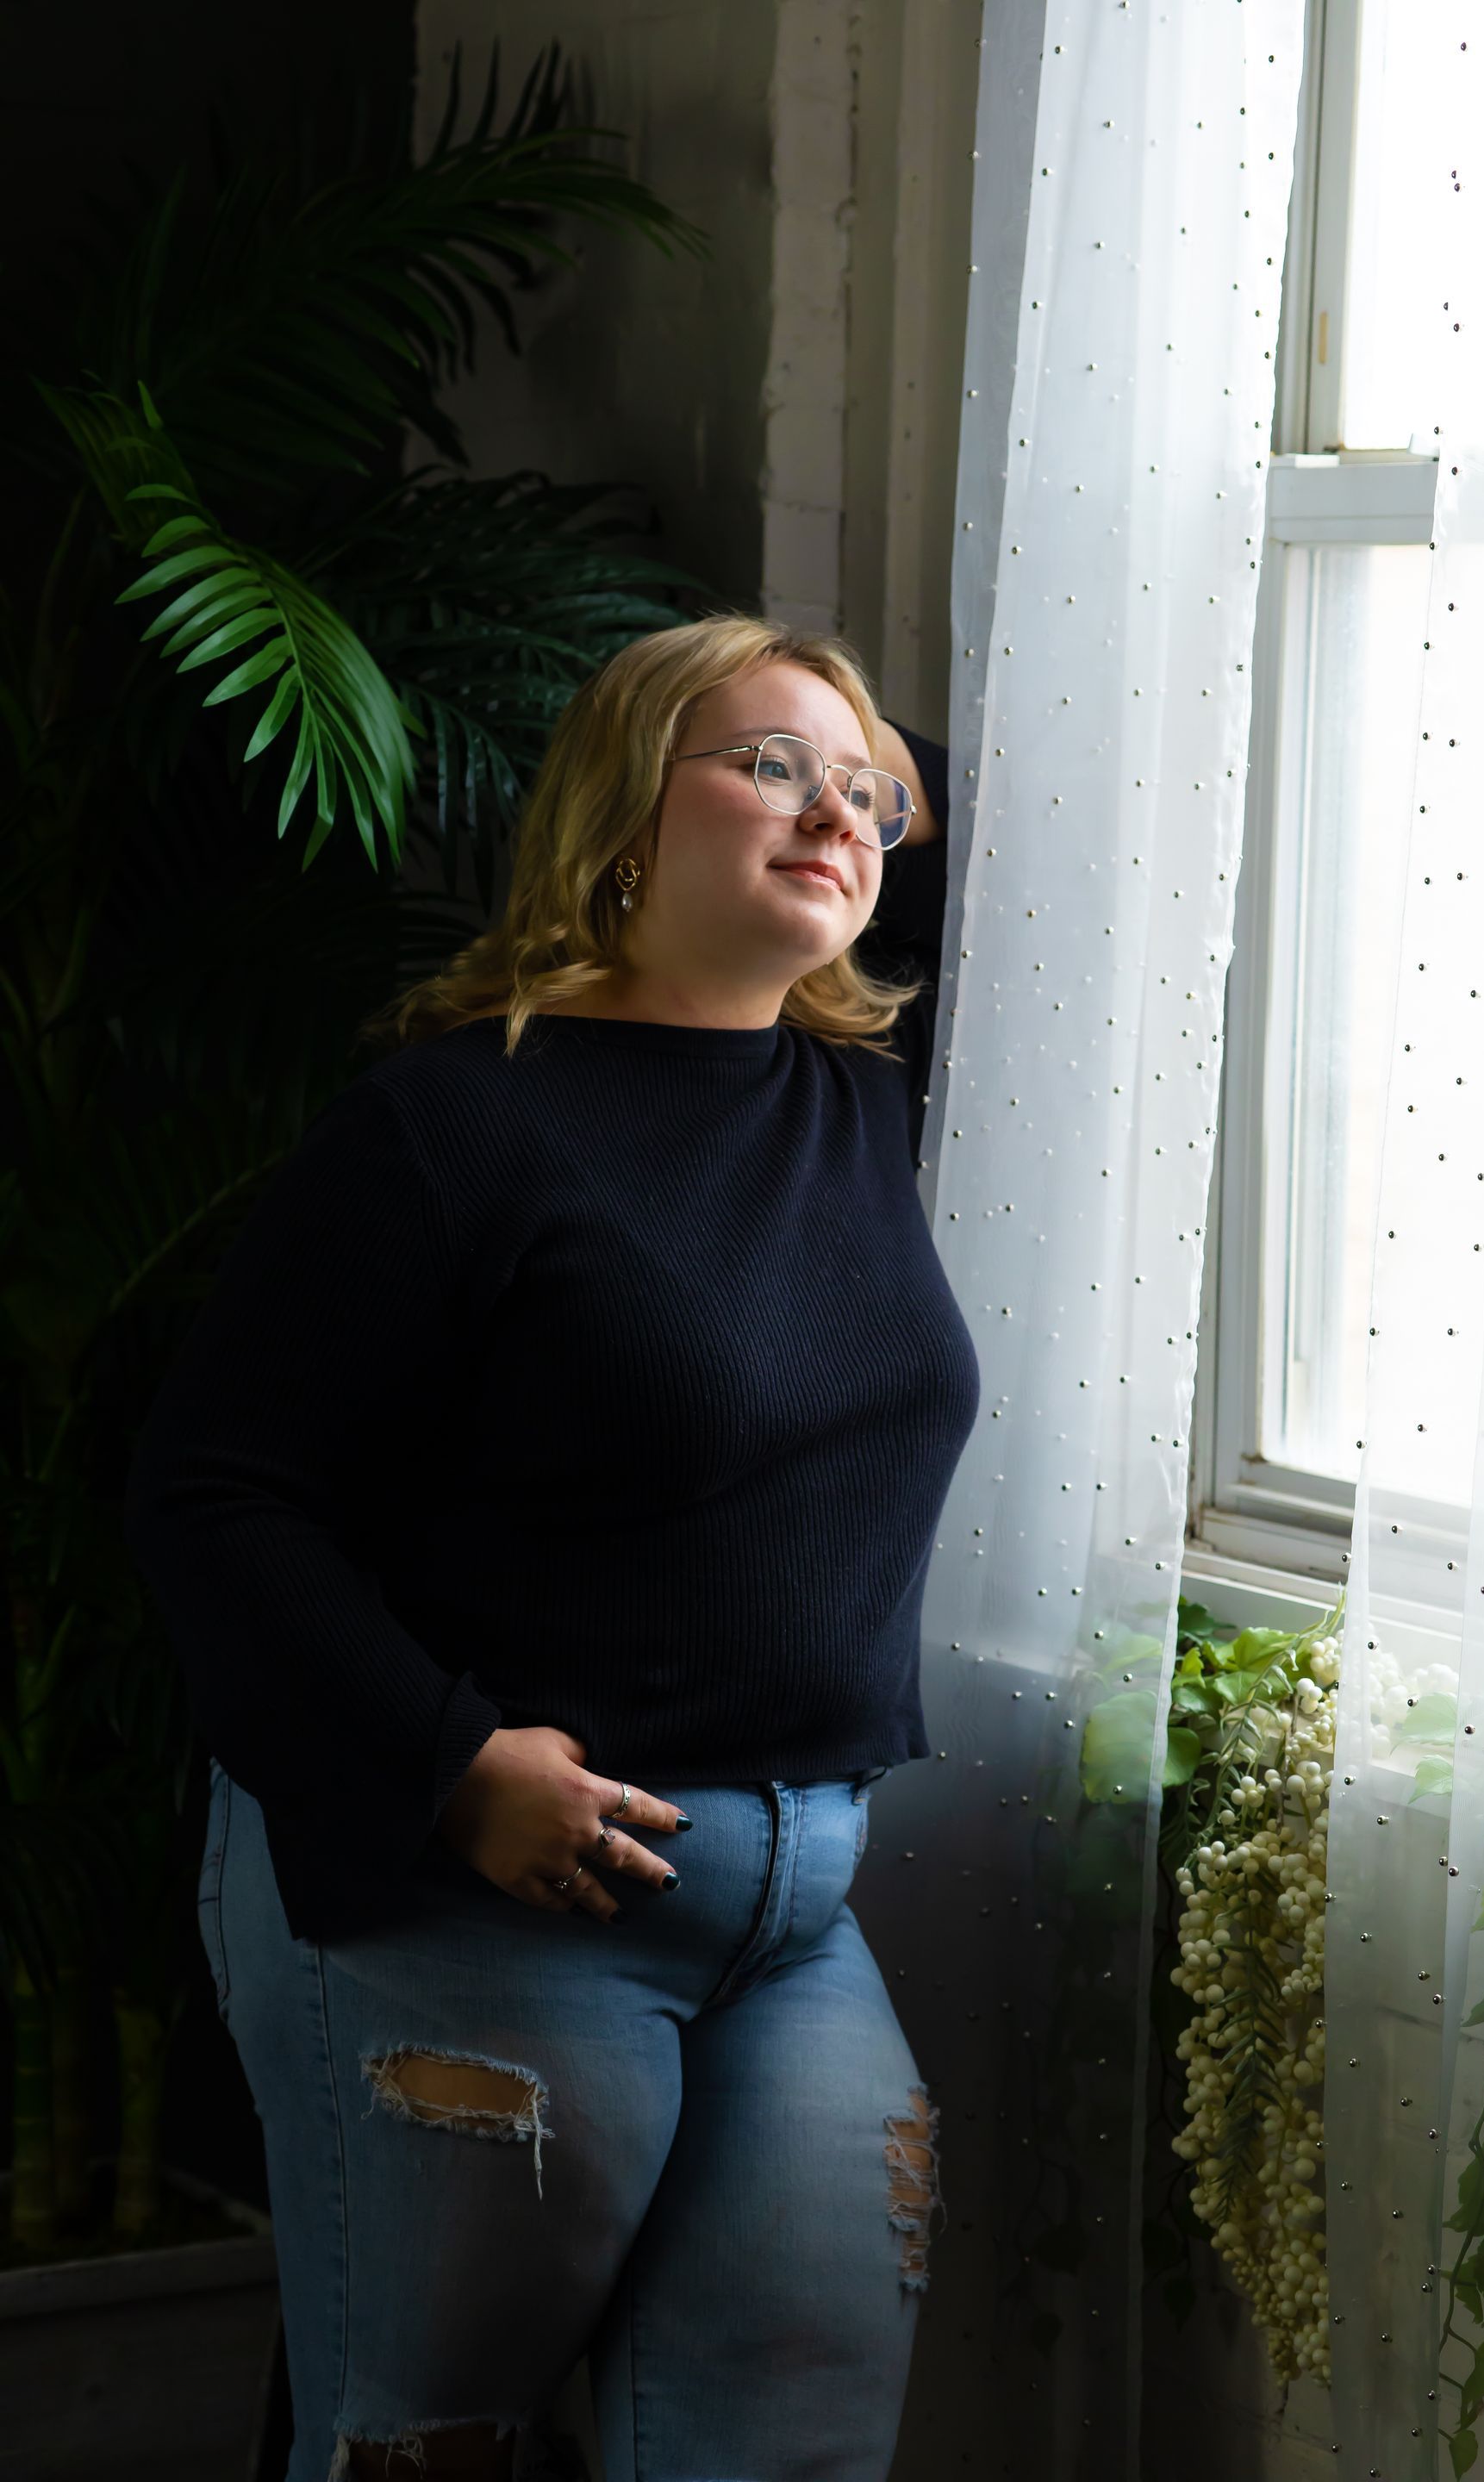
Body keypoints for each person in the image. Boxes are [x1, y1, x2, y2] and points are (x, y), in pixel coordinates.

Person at [125, 611, 981, 2482]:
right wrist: (451, 1769)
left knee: (793, 2436)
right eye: (764, 765)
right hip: (489, 1891)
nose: (836, 812)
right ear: (619, 809)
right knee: (433, 2446)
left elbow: (909, 790)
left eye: (864, 794)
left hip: (792, 1905)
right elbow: (211, 1492)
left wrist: (806, 728)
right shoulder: (454, 1125)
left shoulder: (851, 1097)